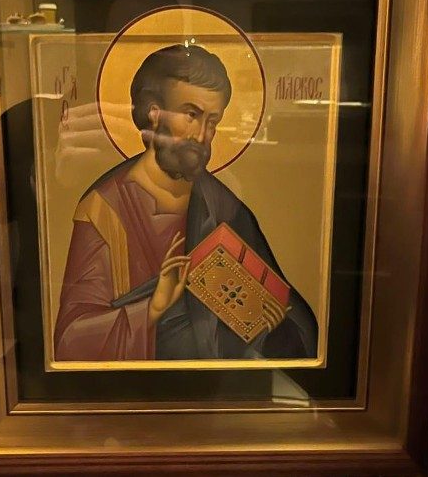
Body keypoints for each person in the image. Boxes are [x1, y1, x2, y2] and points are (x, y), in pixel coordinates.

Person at [53, 44, 317, 361]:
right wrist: (153, 308)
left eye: (213, 121)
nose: (202, 134)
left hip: (220, 387)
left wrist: (271, 327)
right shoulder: (104, 209)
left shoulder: (221, 205)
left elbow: (289, 321)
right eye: (191, 115)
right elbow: (71, 340)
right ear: (154, 112)